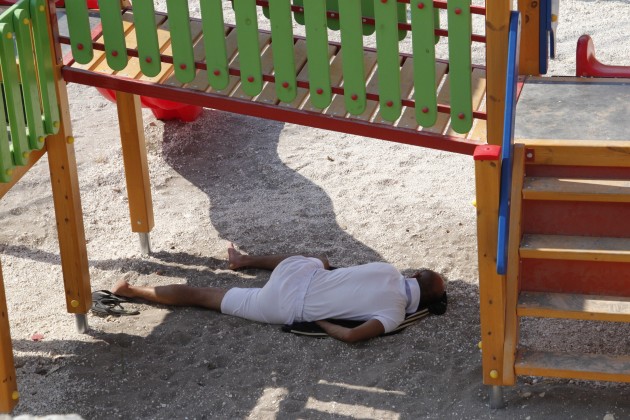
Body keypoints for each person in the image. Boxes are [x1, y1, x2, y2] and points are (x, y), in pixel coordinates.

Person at [111, 244, 446, 343]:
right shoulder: (394, 315)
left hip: (297, 274)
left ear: (414, 274)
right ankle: (132, 290)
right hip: (285, 305)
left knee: (320, 260)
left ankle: (245, 260)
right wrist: (322, 320)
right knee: (204, 296)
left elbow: (339, 273)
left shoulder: (387, 269)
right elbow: (352, 336)